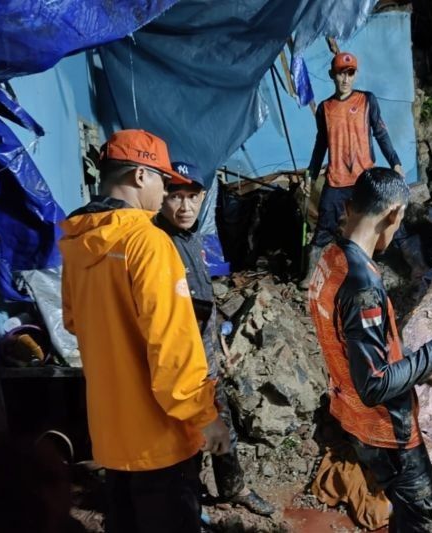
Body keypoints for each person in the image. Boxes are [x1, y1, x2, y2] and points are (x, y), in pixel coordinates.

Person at [307, 167, 432, 532]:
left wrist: (421, 366)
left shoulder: (330, 259)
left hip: (351, 415)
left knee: (402, 503)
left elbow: (358, 344)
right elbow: (375, 386)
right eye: (399, 221)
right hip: (384, 429)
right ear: (394, 214)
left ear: (349, 205)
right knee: (424, 517)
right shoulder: (362, 284)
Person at [59, 130, 230, 533]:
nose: (165, 191)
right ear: (140, 176)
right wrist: (206, 418)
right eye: (163, 181)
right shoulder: (147, 242)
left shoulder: (78, 243)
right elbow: (172, 348)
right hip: (160, 441)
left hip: (112, 437)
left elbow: (73, 322)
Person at [155, 161, 275, 516]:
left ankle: (232, 488)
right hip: (182, 369)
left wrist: (218, 343)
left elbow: (201, 302)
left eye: (192, 197)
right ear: (161, 197)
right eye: (175, 196)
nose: (185, 206)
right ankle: (188, 509)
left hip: (207, 361)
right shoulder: (158, 245)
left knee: (225, 432)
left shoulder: (190, 239)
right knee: (186, 443)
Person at [300, 51, 426, 288]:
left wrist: (395, 163)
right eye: (340, 73)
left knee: (390, 220)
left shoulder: (367, 100)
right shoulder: (325, 108)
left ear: (356, 74)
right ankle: (311, 277)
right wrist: (311, 173)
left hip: (365, 178)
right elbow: (320, 145)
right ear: (332, 75)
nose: (345, 79)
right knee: (324, 228)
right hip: (336, 179)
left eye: (350, 73)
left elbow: (380, 133)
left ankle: (417, 265)